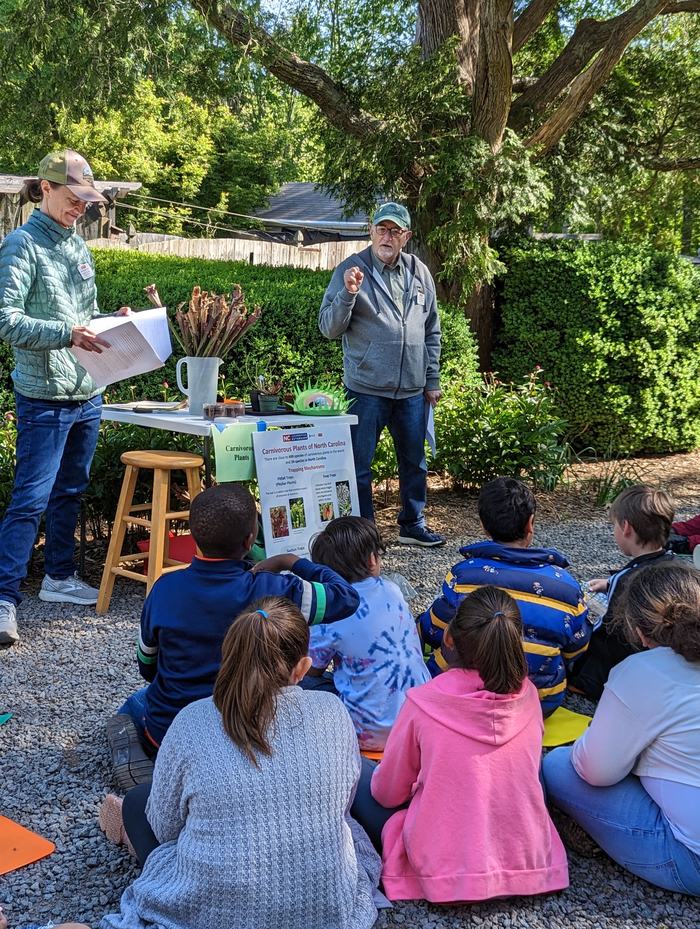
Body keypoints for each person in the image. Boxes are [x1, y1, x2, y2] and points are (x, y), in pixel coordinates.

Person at [101, 597, 382, 929]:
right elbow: (341, 804)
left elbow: (165, 828)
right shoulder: (331, 710)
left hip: (213, 908)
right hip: (328, 905)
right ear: (302, 669)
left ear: (227, 658)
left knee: (137, 803)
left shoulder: (191, 721)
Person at [108, 483, 360, 789]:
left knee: (137, 702)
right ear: (250, 540)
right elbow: (346, 596)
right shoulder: (276, 592)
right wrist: (291, 561)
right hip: (252, 733)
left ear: (195, 537)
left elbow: (147, 667)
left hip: (171, 731)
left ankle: (135, 754)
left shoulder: (163, 589)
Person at [351, 586, 569, 903]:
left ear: (450, 639)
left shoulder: (424, 702)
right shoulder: (528, 695)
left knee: (359, 771)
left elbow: (388, 794)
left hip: (444, 870)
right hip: (527, 862)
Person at [0, 149, 131, 646]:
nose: (82, 208)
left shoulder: (78, 246)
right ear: (47, 189)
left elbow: (87, 314)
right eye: (75, 198)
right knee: (30, 500)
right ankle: (4, 600)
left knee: (70, 492)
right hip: (45, 395)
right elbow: (5, 319)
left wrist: (113, 322)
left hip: (87, 389)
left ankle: (57, 578)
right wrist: (66, 333)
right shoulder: (21, 245)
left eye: (87, 200)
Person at [543, 562, 700, 896]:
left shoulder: (642, 671)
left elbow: (594, 771)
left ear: (640, 630)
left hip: (691, 859)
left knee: (556, 766)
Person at [318, 202, 444, 548]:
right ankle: (365, 533)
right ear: (371, 231)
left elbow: (431, 329)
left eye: (395, 231)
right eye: (381, 229)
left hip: (412, 392)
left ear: (406, 236)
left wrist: (431, 380)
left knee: (414, 463)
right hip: (366, 389)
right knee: (358, 466)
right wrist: (348, 293)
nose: (387, 237)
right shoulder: (351, 269)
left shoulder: (419, 272)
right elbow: (328, 328)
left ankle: (412, 524)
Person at [417, 477, 591, 716]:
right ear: (530, 523)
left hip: (461, 697)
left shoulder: (463, 575)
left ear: (484, 526)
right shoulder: (567, 587)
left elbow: (434, 630)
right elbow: (577, 650)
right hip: (538, 701)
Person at [303, 516, 430, 750]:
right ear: (372, 560)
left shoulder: (331, 609)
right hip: (422, 719)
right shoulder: (392, 590)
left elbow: (311, 669)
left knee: (303, 686)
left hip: (370, 736)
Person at [568, 484, 674, 699]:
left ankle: (583, 683)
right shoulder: (674, 567)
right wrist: (608, 584)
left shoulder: (626, 579)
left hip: (620, 668)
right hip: (663, 660)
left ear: (626, 527)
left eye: (614, 525)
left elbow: (606, 631)